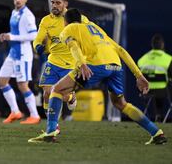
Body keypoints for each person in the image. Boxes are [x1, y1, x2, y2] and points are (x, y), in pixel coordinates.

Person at [28, 8, 167, 145]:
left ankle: (50, 132)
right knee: (120, 103)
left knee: (57, 90)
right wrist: (139, 75)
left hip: (95, 65)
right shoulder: (95, 28)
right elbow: (120, 50)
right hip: (115, 65)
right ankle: (156, 132)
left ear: (65, 21)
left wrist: (81, 63)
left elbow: (73, 46)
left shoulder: (68, 29)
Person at [33, 0, 89, 118]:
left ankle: (70, 97)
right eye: (52, 2)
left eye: (58, 3)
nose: (54, 6)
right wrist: (38, 46)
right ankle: (52, 127)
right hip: (53, 62)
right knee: (47, 93)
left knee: (60, 94)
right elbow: (37, 39)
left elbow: (90, 33)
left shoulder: (78, 19)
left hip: (71, 64)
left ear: (66, 4)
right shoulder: (46, 20)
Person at [0, 0, 40, 124]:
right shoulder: (14, 12)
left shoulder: (28, 15)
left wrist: (12, 37)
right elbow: (15, 32)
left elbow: (34, 35)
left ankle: (35, 115)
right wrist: (6, 35)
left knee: (22, 85)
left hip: (23, 54)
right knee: (2, 82)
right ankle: (15, 112)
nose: (18, 0)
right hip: (13, 54)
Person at [138, 34, 172, 122]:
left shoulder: (143, 59)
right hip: (162, 90)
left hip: (145, 90)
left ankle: (157, 115)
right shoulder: (168, 59)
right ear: (162, 45)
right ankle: (159, 115)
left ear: (152, 45)